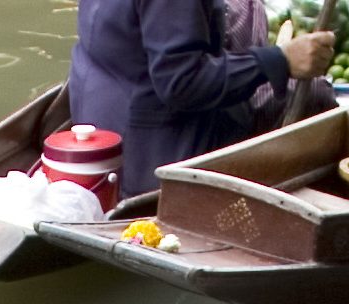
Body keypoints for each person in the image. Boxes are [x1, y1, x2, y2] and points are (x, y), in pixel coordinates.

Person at [69, 0, 335, 195]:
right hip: (156, 159)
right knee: (318, 95)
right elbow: (182, 83)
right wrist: (280, 60)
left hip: (100, 128)